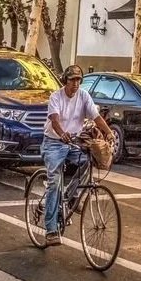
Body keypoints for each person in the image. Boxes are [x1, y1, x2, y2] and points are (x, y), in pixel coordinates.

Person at [39, 65, 112, 246]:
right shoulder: (56, 97)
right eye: (72, 80)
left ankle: (70, 197)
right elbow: (54, 119)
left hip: (73, 142)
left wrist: (108, 132)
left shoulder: (84, 96)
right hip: (53, 143)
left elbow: (96, 117)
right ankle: (51, 229)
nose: (75, 83)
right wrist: (61, 133)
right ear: (65, 80)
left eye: (78, 80)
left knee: (88, 161)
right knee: (54, 181)